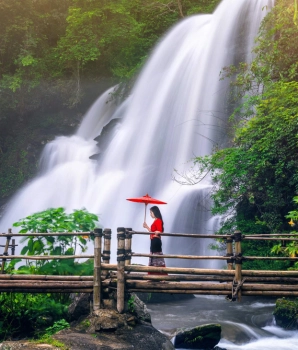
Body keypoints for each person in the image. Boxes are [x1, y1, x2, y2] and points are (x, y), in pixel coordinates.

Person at [143, 205, 167, 274]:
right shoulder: (155, 221)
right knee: (153, 257)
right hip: (153, 240)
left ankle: (161, 275)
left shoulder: (158, 221)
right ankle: (153, 275)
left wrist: (158, 232)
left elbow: (160, 231)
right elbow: (152, 231)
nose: (150, 214)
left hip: (156, 241)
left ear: (155, 212)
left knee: (157, 257)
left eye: (151, 212)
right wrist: (146, 226)